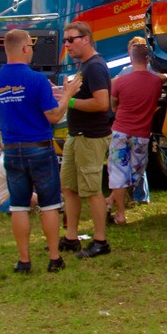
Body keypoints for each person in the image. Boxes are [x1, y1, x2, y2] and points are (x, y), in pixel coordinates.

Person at [0, 28, 79, 273]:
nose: (33, 51)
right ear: (25, 48)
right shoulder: (37, 80)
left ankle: (24, 261)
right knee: (48, 204)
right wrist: (67, 93)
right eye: (32, 47)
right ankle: (54, 258)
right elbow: (54, 116)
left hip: (12, 150)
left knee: (19, 205)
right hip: (39, 147)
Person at [59, 21, 113, 259]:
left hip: (90, 137)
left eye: (71, 40)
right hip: (76, 135)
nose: (67, 45)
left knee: (92, 190)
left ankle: (100, 241)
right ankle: (71, 238)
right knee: (69, 187)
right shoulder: (83, 66)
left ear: (86, 39)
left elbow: (102, 103)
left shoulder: (95, 67)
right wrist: (62, 94)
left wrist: (69, 101)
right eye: (65, 40)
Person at [106, 41, 164, 225]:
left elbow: (114, 105)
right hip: (142, 134)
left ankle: (118, 211)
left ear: (131, 58)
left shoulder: (121, 81)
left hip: (120, 131)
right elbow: (165, 79)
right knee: (134, 173)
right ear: (148, 59)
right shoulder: (156, 81)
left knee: (118, 173)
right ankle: (110, 203)